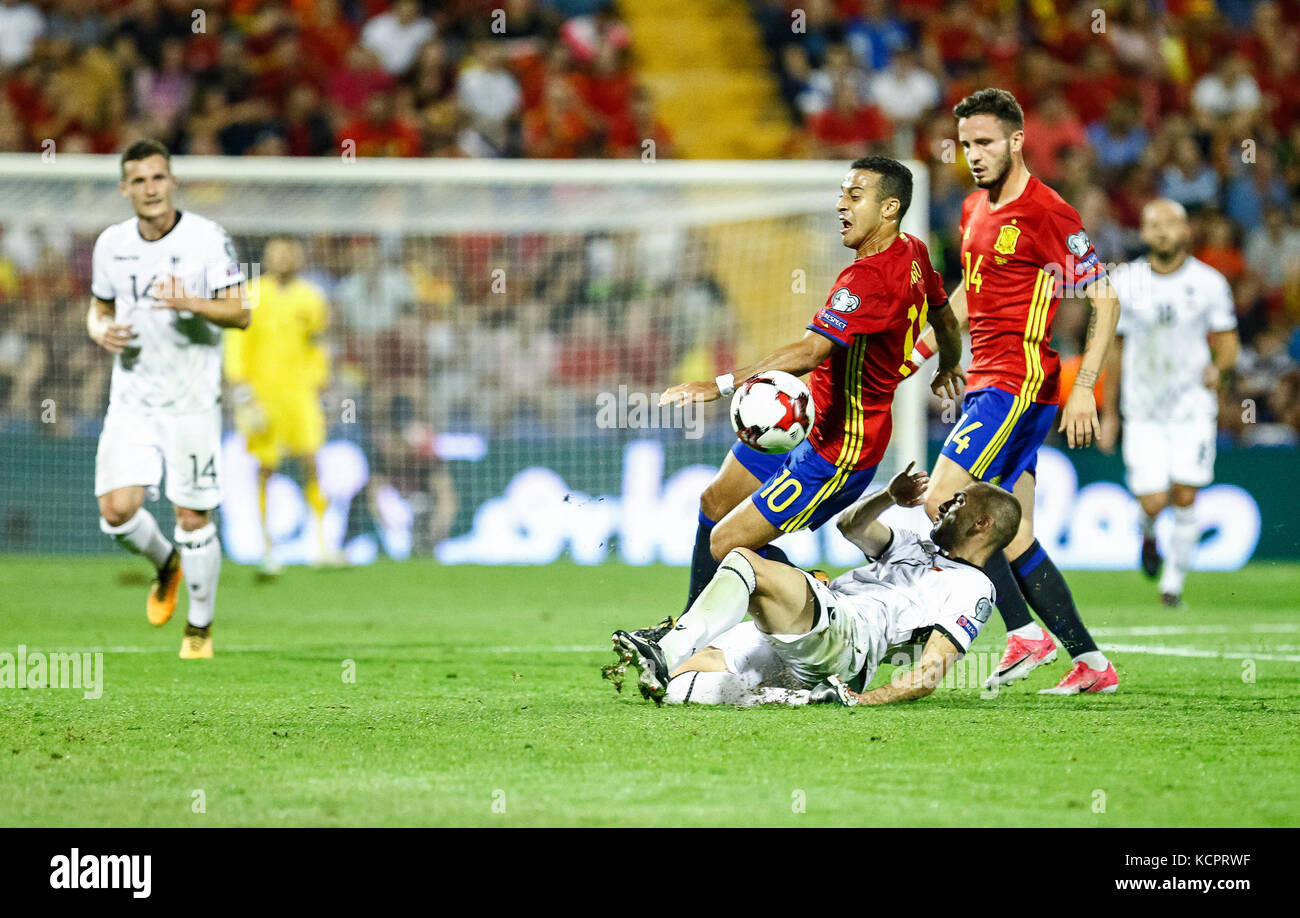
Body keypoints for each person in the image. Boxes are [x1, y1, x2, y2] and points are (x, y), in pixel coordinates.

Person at [659, 156, 964, 617]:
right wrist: (950, 361)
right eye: (842, 193)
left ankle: (821, 595)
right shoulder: (914, 249)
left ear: (889, 208)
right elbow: (942, 310)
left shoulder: (866, 280)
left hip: (840, 446)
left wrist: (719, 384)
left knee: (729, 544)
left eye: (854, 196)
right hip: (801, 417)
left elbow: (810, 353)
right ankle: (685, 624)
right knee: (714, 502)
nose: (840, 204)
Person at [912, 88, 1121, 695]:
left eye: (984, 142)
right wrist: (926, 352)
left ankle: (1021, 633)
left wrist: (1085, 386)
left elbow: (1105, 297)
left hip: (1019, 384)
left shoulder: (1048, 212)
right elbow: (969, 294)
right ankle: (1091, 663)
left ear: (1017, 141)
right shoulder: (974, 207)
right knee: (1017, 529)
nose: (973, 155)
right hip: (987, 380)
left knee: (943, 502)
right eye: (966, 144)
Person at [607, 463, 1028, 706]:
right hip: (820, 632)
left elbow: (929, 672)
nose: (943, 508)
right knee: (676, 685)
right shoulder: (914, 545)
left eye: (957, 503)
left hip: (849, 637)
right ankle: (798, 699)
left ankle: (666, 646)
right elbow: (851, 525)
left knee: (743, 560)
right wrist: (887, 497)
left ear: (982, 523)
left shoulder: (973, 587)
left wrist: (864, 701)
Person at [87, 139, 250, 659]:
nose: (150, 189)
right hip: (132, 398)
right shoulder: (111, 244)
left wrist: (190, 302)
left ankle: (199, 629)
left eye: (158, 177)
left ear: (172, 181)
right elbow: (99, 308)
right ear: (124, 188)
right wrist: (99, 331)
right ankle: (165, 564)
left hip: (191, 402)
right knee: (116, 511)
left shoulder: (207, 238)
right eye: (138, 180)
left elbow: (241, 312)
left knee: (192, 517)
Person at [1099, 199, 1240, 608]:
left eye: (1169, 224)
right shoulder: (1126, 281)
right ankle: (1147, 533)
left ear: (1185, 231)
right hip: (1142, 409)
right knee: (1153, 500)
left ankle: (1172, 586)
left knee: (1184, 493)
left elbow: (1228, 342)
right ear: (1142, 233)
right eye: (1152, 224)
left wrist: (1220, 369)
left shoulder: (1210, 282)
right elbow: (1113, 350)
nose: (1161, 231)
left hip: (1192, 406)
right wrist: (1109, 414)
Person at [224, 235, 338, 574]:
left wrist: (322, 382)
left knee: (312, 461)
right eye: (277, 253)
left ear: (299, 256)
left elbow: (318, 344)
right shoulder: (251, 294)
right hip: (262, 395)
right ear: (268, 257)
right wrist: (240, 385)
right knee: (266, 468)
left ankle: (320, 544)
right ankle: (267, 547)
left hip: (301, 394)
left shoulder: (313, 297)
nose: (284, 258)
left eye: (290, 252)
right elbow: (235, 342)